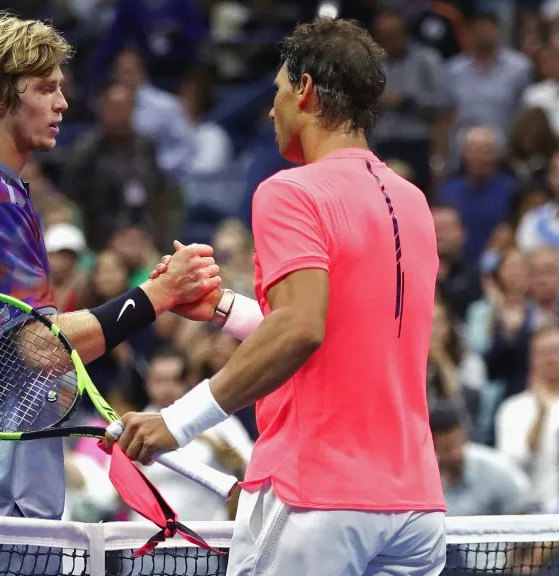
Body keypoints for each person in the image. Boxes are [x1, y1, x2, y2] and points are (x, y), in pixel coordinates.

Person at [0, 12, 220, 571]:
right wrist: (157, 295)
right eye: (45, 88)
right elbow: (43, 347)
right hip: (0, 500)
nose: (63, 103)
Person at [112, 18, 446, 575]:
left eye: (278, 93)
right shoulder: (414, 202)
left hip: (318, 497)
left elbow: (300, 328)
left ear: (306, 91)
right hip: (415, 507)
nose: (271, 111)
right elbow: (338, 330)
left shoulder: (290, 192)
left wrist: (177, 422)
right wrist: (221, 310)